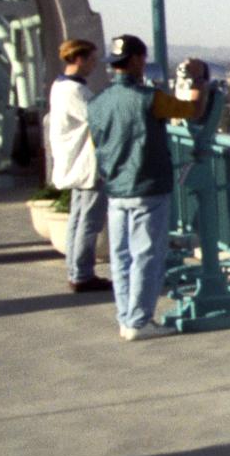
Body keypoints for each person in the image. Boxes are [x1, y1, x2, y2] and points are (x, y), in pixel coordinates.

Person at [85, 35, 210, 340]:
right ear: (139, 60)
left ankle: (126, 318)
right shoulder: (149, 98)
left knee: (122, 257)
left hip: (116, 188)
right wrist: (201, 84)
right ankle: (140, 321)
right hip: (148, 186)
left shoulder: (97, 102)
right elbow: (190, 110)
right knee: (145, 257)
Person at [46, 38, 111, 293]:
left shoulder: (60, 86)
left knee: (78, 218)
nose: (94, 65)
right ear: (80, 59)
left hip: (76, 163)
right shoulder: (75, 91)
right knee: (88, 221)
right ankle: (82, 274)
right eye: (92, 59)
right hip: (87, 166)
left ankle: (77, 270)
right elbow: (98, 119)